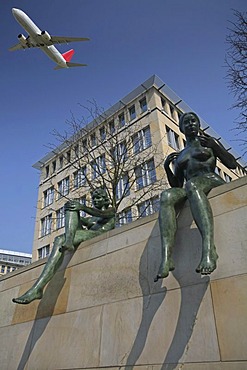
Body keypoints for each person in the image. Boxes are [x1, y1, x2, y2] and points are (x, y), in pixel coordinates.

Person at [154, 112, 236, 282]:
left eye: (194, 121)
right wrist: (167, 167)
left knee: (192, 185)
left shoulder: (208, 143)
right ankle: (167, 257)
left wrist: (216, 146)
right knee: (166, 196)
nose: (191, 124)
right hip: (191, 185)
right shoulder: (181, 155)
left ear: (198, 125)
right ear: (181, 128)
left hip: (210, 179)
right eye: (186, 122)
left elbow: (232, 164)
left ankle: (208, 250)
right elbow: (177, 185)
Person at [13, 188, 115, 304]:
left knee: (63, 235)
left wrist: (83, 207)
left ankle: (68, 242)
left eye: (98, 198)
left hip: (98, 235)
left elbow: (102, 213)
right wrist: (70, 208)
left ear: (105, 199)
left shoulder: (111, 211)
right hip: (86, 235)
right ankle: (37, 289)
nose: (95, 200)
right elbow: (80, 218)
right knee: (62, 231)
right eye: (94, 198)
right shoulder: (91, 219)